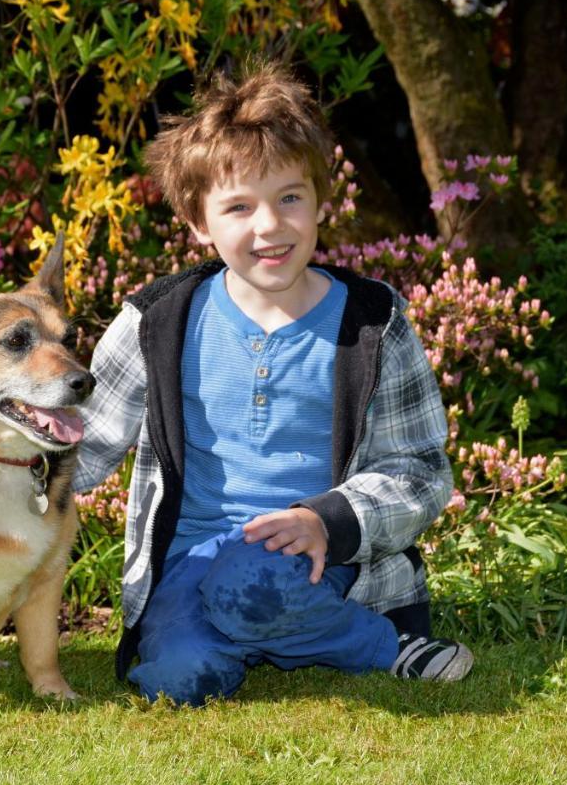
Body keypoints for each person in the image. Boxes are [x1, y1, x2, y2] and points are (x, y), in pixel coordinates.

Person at [73, 61, 472, 706]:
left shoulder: (372, 323)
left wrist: (328, 521)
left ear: (320, 200)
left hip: (318, 564)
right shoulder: (158, 322)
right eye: (239, 207)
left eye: (290, 197)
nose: (270, 226)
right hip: (190, 562)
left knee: (252, 583)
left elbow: (420, 470)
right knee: (178, 679)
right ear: (199, 223)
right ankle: (278, 640)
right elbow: (83, 444)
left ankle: (382, 645)